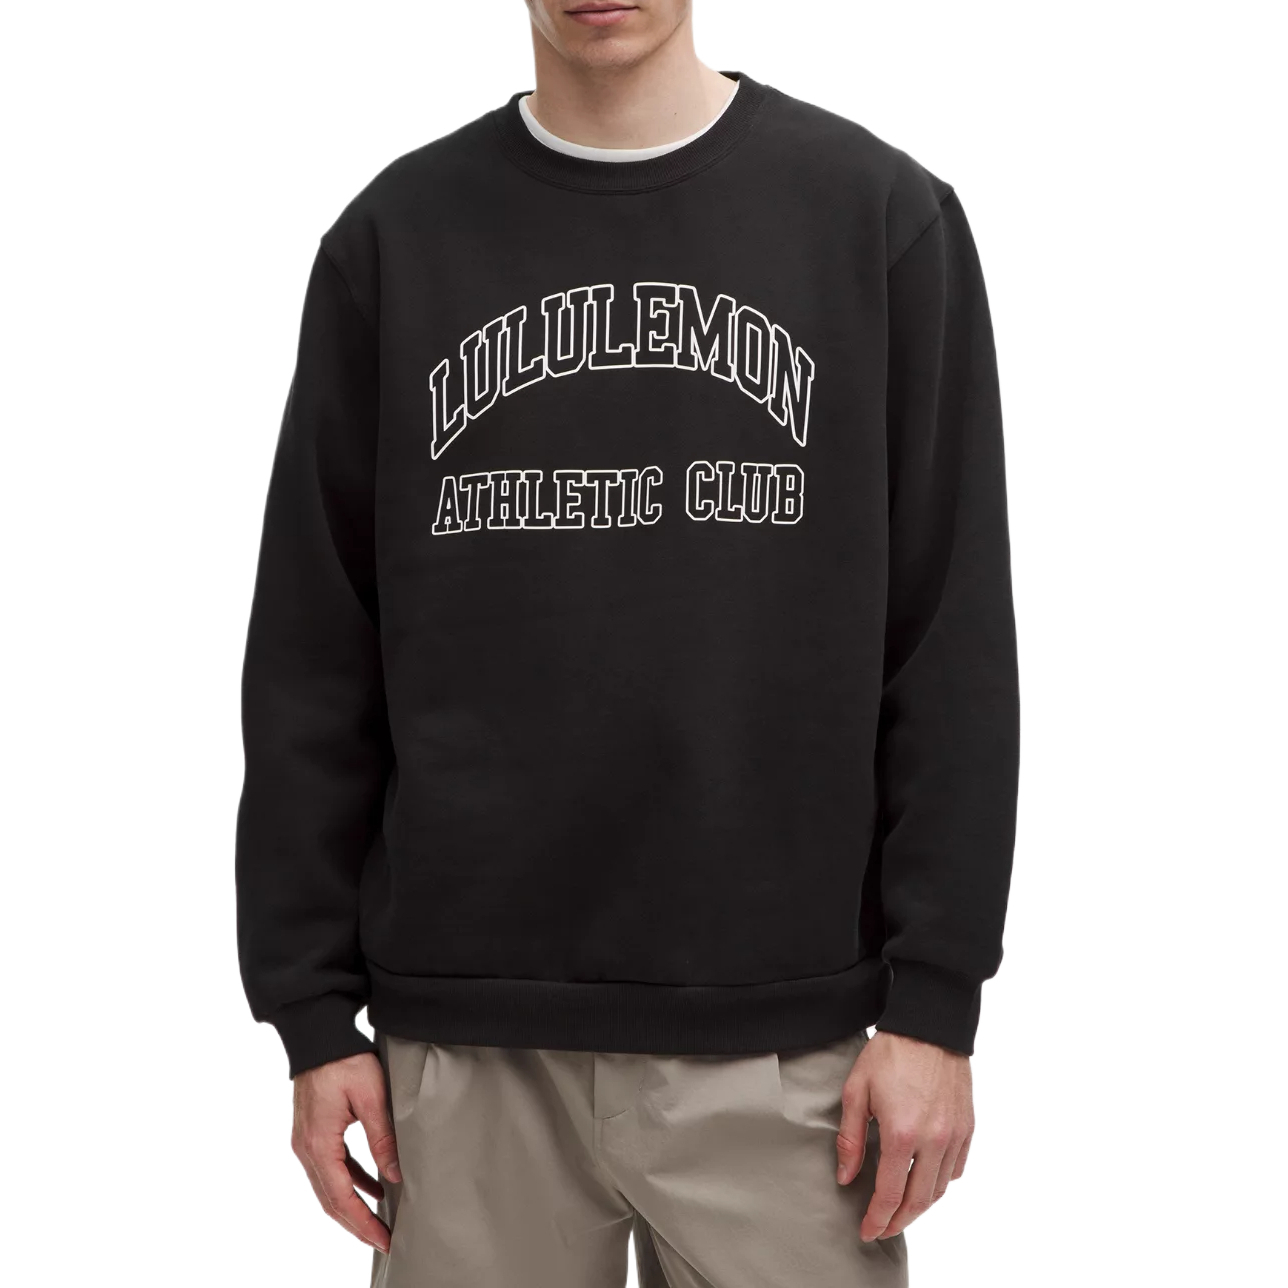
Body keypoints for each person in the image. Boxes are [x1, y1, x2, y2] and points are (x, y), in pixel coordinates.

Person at [234, 2, 1020, 1284]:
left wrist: (936, 1002)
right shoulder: (395, 239)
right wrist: (311, 1015)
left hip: (792, 1053)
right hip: (463, 1046)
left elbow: (950, 641)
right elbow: (313, 652)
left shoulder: (874, 218)